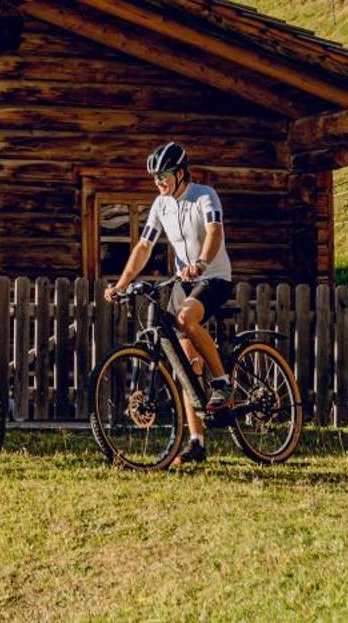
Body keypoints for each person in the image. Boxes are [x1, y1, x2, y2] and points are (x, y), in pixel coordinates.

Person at [104, 141, 232, 467]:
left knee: (187, 320)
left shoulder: (204, 195)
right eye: (154, 178)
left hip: (212, 277)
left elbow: (215, 232)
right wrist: (120, 284)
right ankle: (196, 442)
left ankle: (223, 384)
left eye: (163, 176)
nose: (158, 183)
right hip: (182, 282)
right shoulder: (160, 204)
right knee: (185, 365)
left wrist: (202, 262)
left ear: (179, 173)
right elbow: (144, 247)